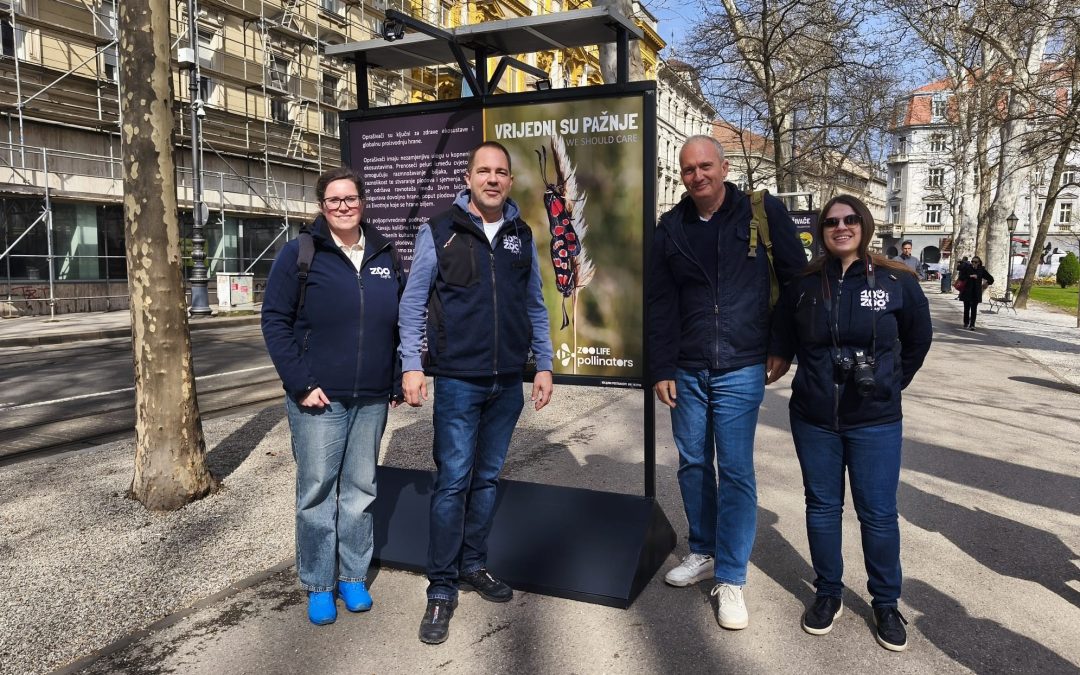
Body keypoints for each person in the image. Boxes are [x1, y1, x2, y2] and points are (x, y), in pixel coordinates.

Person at [647, 135, 806, 630]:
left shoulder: (760, 211)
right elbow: (658, 301)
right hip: (688, 366)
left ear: (725, 166)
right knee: (693, 463)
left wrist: (782, 345)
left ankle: (732, 577)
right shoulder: (669, 228)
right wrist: (661, 367)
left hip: (742, 364)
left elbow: (795, 279)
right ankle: (703, 550)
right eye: (689, 169)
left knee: (735, 469)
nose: (698, 176)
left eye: (706, 166)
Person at [398, 141, 554, 645]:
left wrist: (544, 366)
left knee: (486, 480)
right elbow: (414, 300)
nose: (492, 179)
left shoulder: (520, 234)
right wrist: (411, 365)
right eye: (483, 171)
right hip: (460, 381)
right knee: (453, 481)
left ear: (510, 181)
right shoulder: (439, 231)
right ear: (468, 178)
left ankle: (473, 565)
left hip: (508, 380)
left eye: (501, 172)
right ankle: (441, 588)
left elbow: (534, 304)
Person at [767, 195, 932, 652]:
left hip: (875, 420)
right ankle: (828, 593)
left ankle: (885, 602)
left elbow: (919, 339)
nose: (841, 227)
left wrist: (890, 383)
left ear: (865, 224)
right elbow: (782, 336)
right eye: (831, 222)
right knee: (821, 508)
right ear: (821, 230)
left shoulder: (898, 281)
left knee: (878, 515)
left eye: (849, 219)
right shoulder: (802, 285)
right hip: (814, 418)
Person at [261, 166, 404, 625]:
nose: (343, 207)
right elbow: (275, 322)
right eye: (333, 200)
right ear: (322, 206)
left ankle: (353, 577)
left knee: (360, 490)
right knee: (317, 491)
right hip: (317, 398)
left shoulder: (384, 253)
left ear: (363, 201)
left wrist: (397, 376)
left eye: (350, 199)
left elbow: (398, 324)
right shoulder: (300, 253)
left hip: (371, 397)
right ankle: (320, 583)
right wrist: (301, 383)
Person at [959, 255, 994, 330]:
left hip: (976, 292)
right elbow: (961, 277)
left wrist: (987, 283)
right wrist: (970, 276)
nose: (973, 263)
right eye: (972, 261)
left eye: (975, 262)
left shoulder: (981, 270)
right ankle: (966, 323)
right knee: (966, 308)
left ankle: (972, 324)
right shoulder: (967, 268)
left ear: (979, 263)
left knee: (974, 309)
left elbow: (991, 279)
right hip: (966, 291)